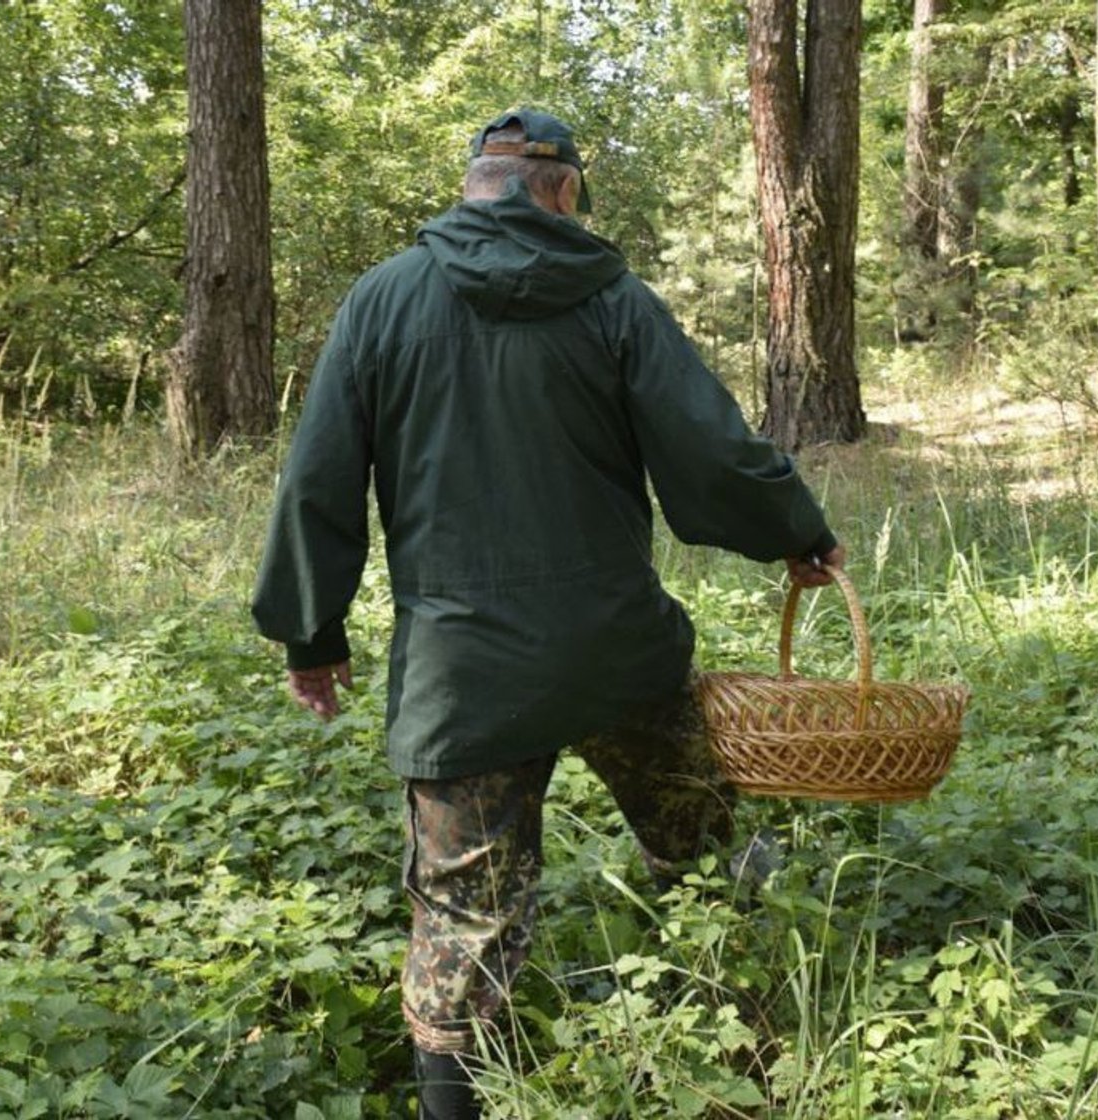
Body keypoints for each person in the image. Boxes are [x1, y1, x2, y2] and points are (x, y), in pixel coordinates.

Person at [250, 109, 844, 1119]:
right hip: (617, 654)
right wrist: (794, 529)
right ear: (559, 190)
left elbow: (318, 479)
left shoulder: (383, 300)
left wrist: (312, 632)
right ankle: (747, 1060)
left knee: (461, 919)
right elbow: (709, 448)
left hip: (463, 676)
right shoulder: (613, 298)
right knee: (703, 847)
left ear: (475, 184)